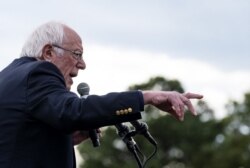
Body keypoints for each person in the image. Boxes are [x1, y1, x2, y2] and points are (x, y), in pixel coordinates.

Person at [0, 21, 203, 168]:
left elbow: (19, 140)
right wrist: (146, 97)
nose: (83, 64)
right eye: (77, 54)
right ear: (48, 53)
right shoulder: (38, 73)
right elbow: (75, 109)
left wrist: (62, 138)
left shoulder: (9, 77)